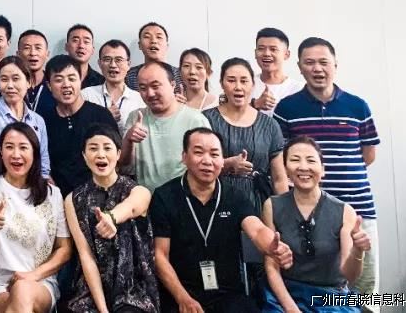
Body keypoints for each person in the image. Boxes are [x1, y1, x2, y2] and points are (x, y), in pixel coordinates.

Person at [273, 37, 381, 305]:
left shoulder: (358, 106)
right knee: (319, 287)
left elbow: (368, 155)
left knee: (365, 288)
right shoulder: (286, 108)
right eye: (309, 62)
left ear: (335, 65)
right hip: (310, 213)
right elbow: (281, 159)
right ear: (300, 67)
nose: (317, 68)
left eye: (324, 62)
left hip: (358, 207)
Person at [150, 127, 294, 313]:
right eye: (198, 152)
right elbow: (160, 255)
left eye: (214, 154)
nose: (207, 161)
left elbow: (257, 229)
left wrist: (273, 247)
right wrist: (183, 298)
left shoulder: (234, 196)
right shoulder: (165, 196)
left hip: (228, 295)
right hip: (180, 293)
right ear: (184, 157)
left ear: (222, 160)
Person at [262, 137, 372, 313]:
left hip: (332, 296)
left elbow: (349, 275)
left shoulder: (344, 211)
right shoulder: (272, 206)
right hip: (287, 294)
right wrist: (291, 309)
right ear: (286, 169)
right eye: (295, 160)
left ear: (323, 169)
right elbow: (271, 266)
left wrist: (358, 251)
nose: (303, 167)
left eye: (311, 160)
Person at [0, 122, 72, 313]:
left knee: (22, 289)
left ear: (34, 153)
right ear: (0, 151)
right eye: (9, 147)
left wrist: (32, 275)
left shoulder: (53, 194)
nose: (16, 154)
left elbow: (64, 249)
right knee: (20, 296)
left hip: (40, 281)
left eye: (23, 147)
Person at [65, 123, 158, 313]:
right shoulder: (73, 199)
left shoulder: (137, 191)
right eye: (93, 148)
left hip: (133, 291)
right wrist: (103, 310)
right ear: (84, 155)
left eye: (107, 148)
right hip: (91, 290)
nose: (101, 155)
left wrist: (111, 218)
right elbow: (86, 256)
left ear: (118, 154)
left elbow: (132, 206)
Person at [205, 58, 288, 211]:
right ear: (222, 84)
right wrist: (227, 165)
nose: (238, 87)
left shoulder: (269, 125)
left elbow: (279, 179)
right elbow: (195, 166)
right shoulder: (206, 120)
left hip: (259, 201)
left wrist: (285, 214)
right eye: (231, 80)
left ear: (253, 84)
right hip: (214, 199)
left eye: (244, 81)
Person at [122, 61, 210, 191]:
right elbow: (124, 166)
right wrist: (128, 140)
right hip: (146, 198)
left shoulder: (195, 120)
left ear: (172, 85)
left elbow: (205, 165)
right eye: (143, 88)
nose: (150, 93)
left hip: (184, 197)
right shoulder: (136, 117)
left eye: (155, 86)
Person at [42, 55, 116, 198]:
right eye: (58, 80)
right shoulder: (43, 120)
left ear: (80, 81)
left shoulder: (101, 115)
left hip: (99, 195)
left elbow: (114, 159)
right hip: (57, 196)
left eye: (72, 78)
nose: (66, 85)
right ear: (49, 86)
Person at [0, 56, 51, 180]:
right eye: (4, 79)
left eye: (16, 79)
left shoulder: (37, 121)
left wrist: (43, 184)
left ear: (28, 82)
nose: (10, 85)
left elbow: (43, 164)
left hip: (30, 188)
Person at [82, 40, 144, 132]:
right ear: (99, 63)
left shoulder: (140, 100)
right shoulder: (86, 95)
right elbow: (78, 129)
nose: (113, 65)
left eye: (119, 60)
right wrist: (103, 117)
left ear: (128, 64)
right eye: (107, 59)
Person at [251, 28, 305, 115]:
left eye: (273, 49)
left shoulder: (299, 89)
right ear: (255, 53)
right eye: (261, 49)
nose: (266, 54)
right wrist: (255, 104)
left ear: (286, 54)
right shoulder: (246, 85)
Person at [125, 22, 183, 91]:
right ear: (140, 45)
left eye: (159, 37)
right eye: (147, 37)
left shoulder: (181, 75)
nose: (153, 41)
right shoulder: (129, 76)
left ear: (167, 46)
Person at [17, 29, 56, 116]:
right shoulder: (11, 85)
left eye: (38, 48)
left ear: (47, 54)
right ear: (18, 54)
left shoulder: (55, 84)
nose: (33, 53)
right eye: (27, 48)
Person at [66, 24, 105, 88]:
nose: (81, 46)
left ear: (92, 50)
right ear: (66, 47)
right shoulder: (54, 78)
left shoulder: (102, 82)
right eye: (75, 40)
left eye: (86, 42)